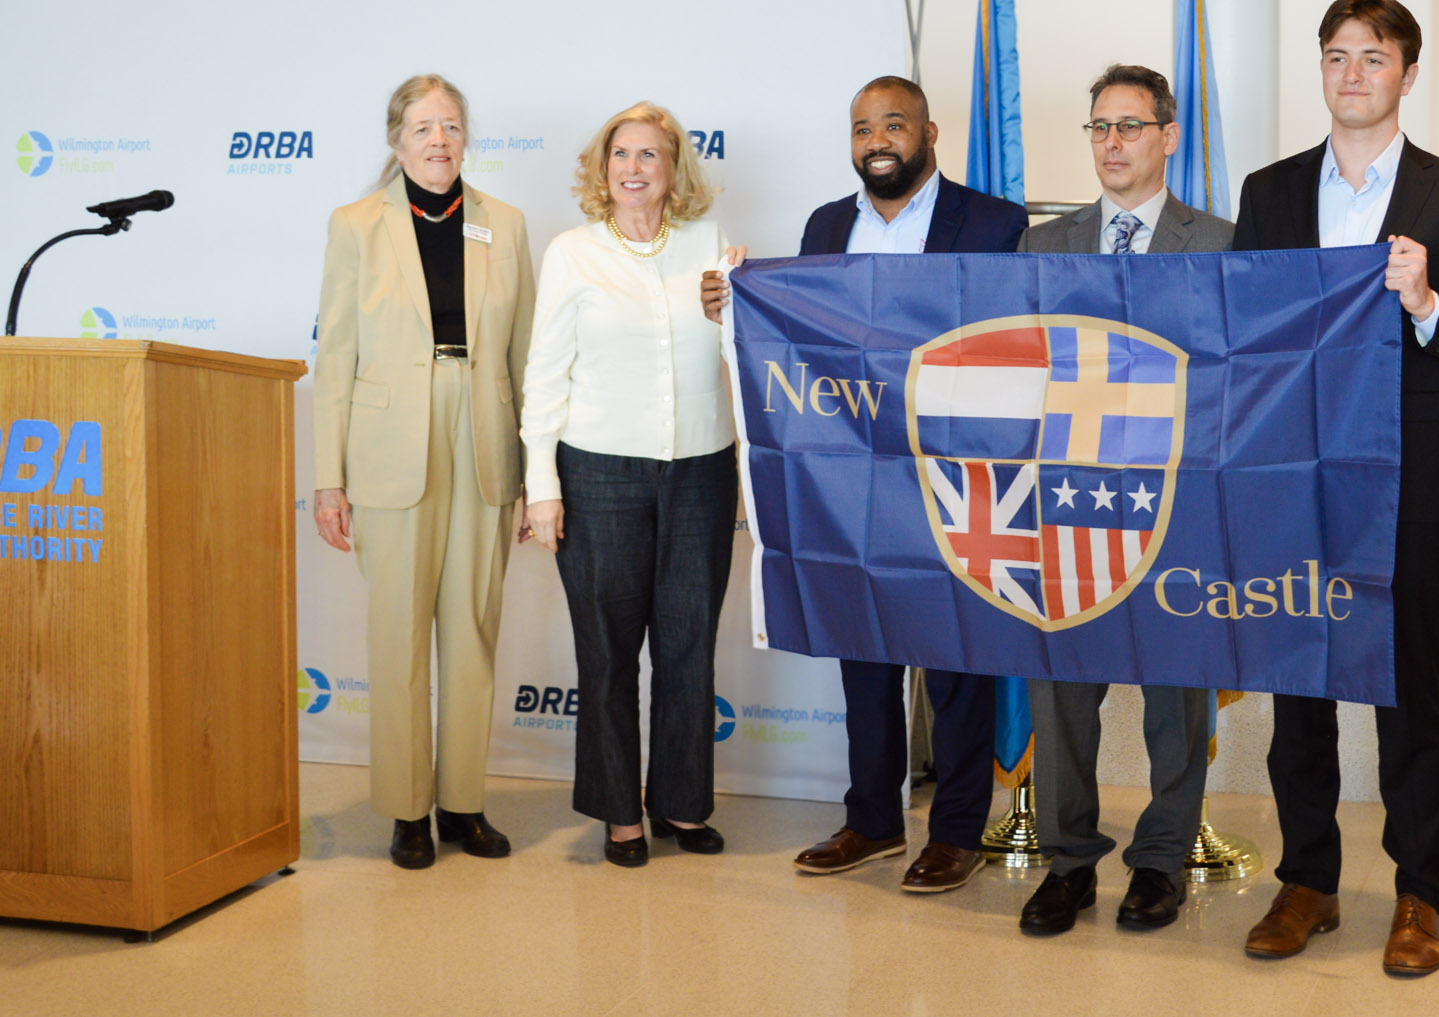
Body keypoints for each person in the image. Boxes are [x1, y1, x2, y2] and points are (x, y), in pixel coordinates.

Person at [1231, 0, 1439, 975]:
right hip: (1289, 475)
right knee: (1297, 683)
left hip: (1404, 479)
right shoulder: (1266, 194)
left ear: (1406, 72)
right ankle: (1305, 879)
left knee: (1404, 687)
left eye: (1372, 58)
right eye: (1335, 56)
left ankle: (1416, 892)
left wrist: (1424, 300)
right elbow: (1239, 339)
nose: (1351, 74)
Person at [707, 75, 1025, 893]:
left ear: (930, 132)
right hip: (852, 473)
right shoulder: (825, 224)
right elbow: (799, 332)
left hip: (958, 473)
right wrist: (736, 305)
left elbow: (1014, 343)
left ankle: (956, 830)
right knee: (866, 649)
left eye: (893, 124)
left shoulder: (994, 222)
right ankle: (873, 819)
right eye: (861, 128)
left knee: (958, 652)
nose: (876, 140)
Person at [1012, 64, 1235, 939]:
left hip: (1174, 496)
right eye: (1099, 127)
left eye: (1130, 126)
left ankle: (1162, 858)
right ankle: (1068, 860)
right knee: (1062, 685)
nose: (1112, 143)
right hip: (1067, 496)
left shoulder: (1222, 242)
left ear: (1168, 136)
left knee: (1175, 689)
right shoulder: (1043, 244)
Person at [312, 73, 535, 870]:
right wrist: (327, 476)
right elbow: (334, 354)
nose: (437, 140)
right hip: (387, 442)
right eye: (421, 128)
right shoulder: (355, 225)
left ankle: (463, 803)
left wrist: (534, 475)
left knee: (471, 627)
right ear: (396, 140)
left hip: (483, 434)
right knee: (399, 630)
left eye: (449, 126)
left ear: (466, 136)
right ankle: (407, 809)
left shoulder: (504, 224)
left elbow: (528, 358)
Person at [521, 102, 740, 868]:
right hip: (598, 476)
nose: (635, 167)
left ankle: (681, 802)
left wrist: (736, 309)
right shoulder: (572, 252)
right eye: (622, 153)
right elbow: (544, 375)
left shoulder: (711, 246)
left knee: (688, 647)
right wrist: (541, 484)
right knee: (609, 653)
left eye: (651, 153)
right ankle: (620, 812)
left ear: (674, 168)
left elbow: (742, 358)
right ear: (602, 166)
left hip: (702, 473)